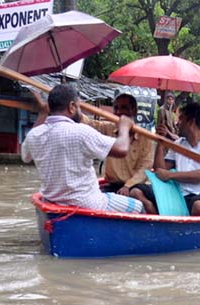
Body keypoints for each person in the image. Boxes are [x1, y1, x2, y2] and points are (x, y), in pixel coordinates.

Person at [21, 84, 144, 214]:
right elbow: (122, 149)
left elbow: (26, 157)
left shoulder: (33, 135)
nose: (81, 111)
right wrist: (124, 127)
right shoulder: (81, 132)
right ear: (72, 107)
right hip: (89, 203)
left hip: (51, 201)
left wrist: (43, 113)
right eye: (79, 107)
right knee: (139, 206)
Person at [131, 102, 200, 216]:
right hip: (177, 193)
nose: (177, 124)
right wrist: (161, 142)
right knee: (135, 192)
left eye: (181, 120)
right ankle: (160, 219)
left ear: (191, 122)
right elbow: (160, 170)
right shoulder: (179, 143)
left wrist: (170, 175)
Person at [83, 90, 155, 195]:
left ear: (134, 111)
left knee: (137, 194)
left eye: (124, 108)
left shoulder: (146, 137)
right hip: (112, 186)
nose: (118, 112)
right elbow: (89, 123)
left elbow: (145, 168)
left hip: (137, 186)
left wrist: (128, 186)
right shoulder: (109, 128)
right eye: (116, 108)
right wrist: (74, 108)